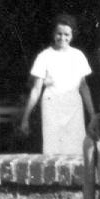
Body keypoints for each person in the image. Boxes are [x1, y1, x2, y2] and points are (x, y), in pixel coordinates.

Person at [20, 15, 94, 156]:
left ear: (72, 35)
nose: (62, 38)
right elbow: (36, 90)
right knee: (53, 148)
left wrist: (92, 115)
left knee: (76, 149)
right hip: (52, 106)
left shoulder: (78, 56)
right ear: (53, 34)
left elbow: (84, 87)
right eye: (59, 33)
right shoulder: (44, 56)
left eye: (66, 34)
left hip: (74, 107)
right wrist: (25, 117)